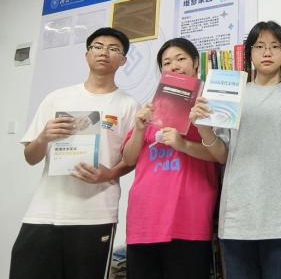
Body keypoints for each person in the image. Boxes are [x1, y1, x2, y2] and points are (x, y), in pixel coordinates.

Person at [10, 27, 140, 279]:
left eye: (113, 49)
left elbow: (131, 159)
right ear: (86, 54)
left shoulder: (129, 105)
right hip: (44, 213)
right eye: (98, 46)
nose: (104, 52)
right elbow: (30, 157)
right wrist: (43, 137)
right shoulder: (57, 98)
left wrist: (109, 174)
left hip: (96, 215)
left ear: (123, 60)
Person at [216, 21, 281, 279]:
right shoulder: (233, 94)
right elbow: (220, 153)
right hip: (236, 220)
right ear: (249, 53)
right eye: (259, 46)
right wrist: (203, 127)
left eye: (275, 46)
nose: (267, 52)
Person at [122, 37, 225, 279]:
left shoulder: (210, 105)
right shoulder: (151, 107)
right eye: (167, 63)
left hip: (189, 217)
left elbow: (221, 156)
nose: (174, 66)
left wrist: (183, 145)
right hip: (144, 218)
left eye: (180, 59)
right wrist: (139, 129)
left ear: (195, 63)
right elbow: (129, 158)